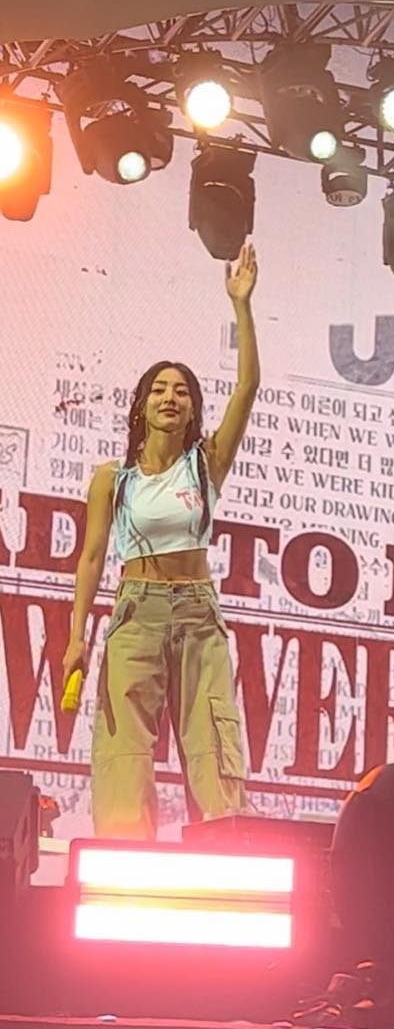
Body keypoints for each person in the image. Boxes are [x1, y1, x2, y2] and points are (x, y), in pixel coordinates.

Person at [62, 242, 260, 839]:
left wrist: (242, 305)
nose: (171, 397)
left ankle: (225, 860)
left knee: (212, 744)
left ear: (193, 409)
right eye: (159, 389)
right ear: (142, 406)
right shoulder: (113, 479)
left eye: (182, 391)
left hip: (198, 615)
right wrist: (76, 638)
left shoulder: (206, 464)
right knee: (123, 750)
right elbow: (92, 557)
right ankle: (124, 862)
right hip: (136, 614)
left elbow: (247, 387)